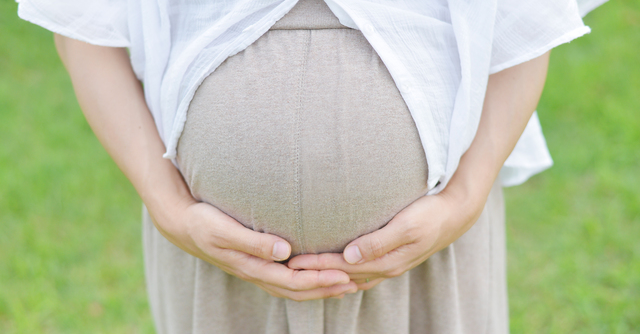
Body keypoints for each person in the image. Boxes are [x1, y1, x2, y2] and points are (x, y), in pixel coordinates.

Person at [18, 0, 606, 332]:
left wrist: (465, 197)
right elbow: (81, 20)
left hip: (430, 258)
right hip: (214, 258)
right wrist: (168, 205)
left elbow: (527, 18)